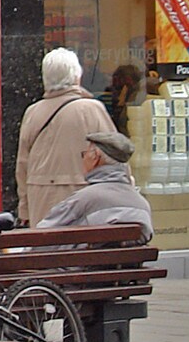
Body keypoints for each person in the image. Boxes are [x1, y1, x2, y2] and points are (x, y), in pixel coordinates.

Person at [14, 48, 116, 224]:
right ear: (77, 76)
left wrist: (24, 209)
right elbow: (114, 155)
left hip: (40, 198)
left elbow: (23, 165)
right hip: (81, 197)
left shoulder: (32, 112)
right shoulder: (91, 109)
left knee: (47, 249)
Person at [36, 130, 154, 233]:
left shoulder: (83, 200)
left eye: (85, 154)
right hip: (126, 259)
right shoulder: (142, 204)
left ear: (95, 157)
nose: (83, 159)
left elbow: (42, 235)